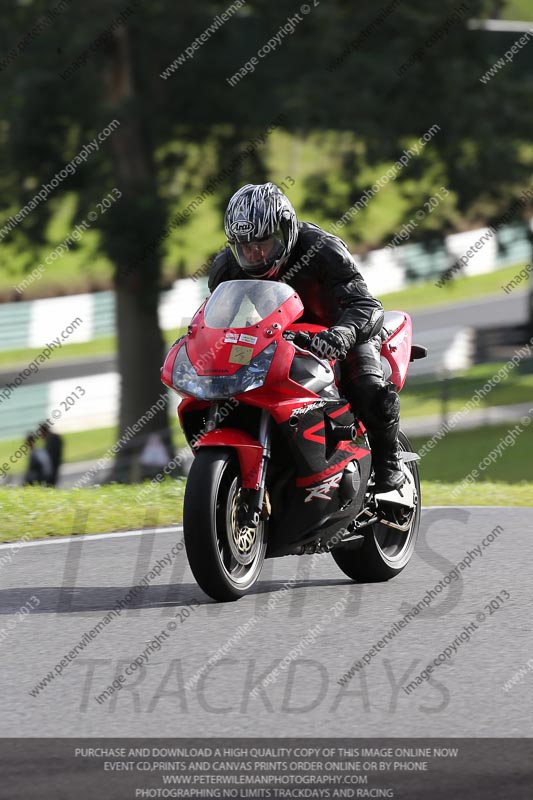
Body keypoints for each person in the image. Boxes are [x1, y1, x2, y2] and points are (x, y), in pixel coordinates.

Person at [208, 182, 405, 493]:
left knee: (369, 388)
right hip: (274, 341)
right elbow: (218, 319)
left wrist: (343, 333)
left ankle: (389, 461)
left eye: (264, 245)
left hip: (339, 334)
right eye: (245, 248)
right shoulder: (228, 267)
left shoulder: (321, 248)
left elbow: (366, 305)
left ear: (285, 231)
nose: (255, 255)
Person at [38, 422, 63, 487]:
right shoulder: (53, 438)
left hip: (52, 466)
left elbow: (50, 455)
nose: (40, 436)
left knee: (49, 484)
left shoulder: (52, 439)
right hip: (54, 465)